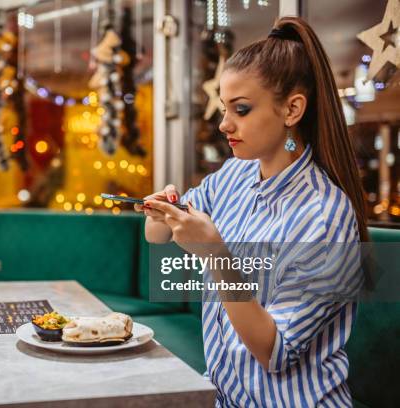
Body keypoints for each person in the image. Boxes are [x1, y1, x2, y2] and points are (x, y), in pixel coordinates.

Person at [136, 16, 368, 407]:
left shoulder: (325, 216)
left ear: (292, 109)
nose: (225, 124)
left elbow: (273, 352)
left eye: (240, 109)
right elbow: (157, 237)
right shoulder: (234, 175)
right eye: (225, 108)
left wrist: (215, 255)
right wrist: (160, 212)